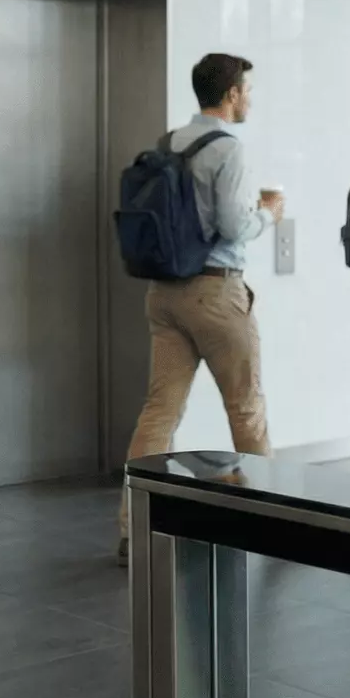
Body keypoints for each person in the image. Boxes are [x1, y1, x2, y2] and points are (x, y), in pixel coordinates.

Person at [120, 53, 283, 563]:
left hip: (164, 292)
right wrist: (268, 215)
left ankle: (132, 526)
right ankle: (274, 524)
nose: (250, 98)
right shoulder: (228, 149)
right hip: (215, 293)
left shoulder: (170, 142)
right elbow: (235, 226)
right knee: (247, 408)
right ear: (232, 93)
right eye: (248, 90)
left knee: (159, 411)